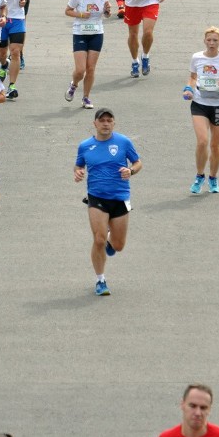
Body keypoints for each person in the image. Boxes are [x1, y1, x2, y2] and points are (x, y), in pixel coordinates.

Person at [73, 108, 141, 296]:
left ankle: (111, 243)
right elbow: (79, 165)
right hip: (97, 197)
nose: (105, 124)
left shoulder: (123, 142)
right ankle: (100, 280)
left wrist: (131, 171)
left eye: (109, 120)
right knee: (99, 239)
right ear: (95, 124)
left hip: (120, 198)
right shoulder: (85, 146)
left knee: (118, 245)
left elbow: (137, 163)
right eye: (101, 120)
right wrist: (78, 172)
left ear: (114, 123)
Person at [183, 27, 219, 196]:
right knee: (202, 141)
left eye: (215, 40)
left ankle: (213, 178)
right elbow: (192, 77)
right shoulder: (197, 57)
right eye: (209, 40)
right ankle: (199, 176)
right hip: (200, 103)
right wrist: (188, 89)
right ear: (204, 41)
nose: (212, 43)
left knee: (215, 146)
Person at [65, 0, 111, 109]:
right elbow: (67, 11)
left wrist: (108, 11)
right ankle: (74, 85)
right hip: (80, 32)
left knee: (90, 68)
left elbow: (107, 15)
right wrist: (80, 15)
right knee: (80, 70)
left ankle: (86, 97)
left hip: (97, 32)